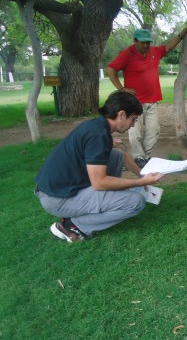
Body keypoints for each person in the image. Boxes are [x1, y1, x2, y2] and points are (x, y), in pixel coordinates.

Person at [34, 91, 164, 243]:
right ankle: (72, 225)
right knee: (135, 202)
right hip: (58, 199)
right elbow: (99, 183)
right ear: (121, 114)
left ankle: (98, 205)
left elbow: (121, 155)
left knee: (115, 155)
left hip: (58, 191)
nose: (133, 124)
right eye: (133, 119)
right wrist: (140, 182)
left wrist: (143, 174)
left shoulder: (97, 126)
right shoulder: (98, 135)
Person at [106, 27, 187, 168]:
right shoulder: (127, 54)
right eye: (143, 42)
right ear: (135, 41)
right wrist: (121, 88)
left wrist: (181, 35)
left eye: (148, 43)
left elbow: (168, 47)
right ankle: (139, 158)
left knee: (154, 130)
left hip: (152, 100)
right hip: (133, 102)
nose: (146, 45)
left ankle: (146, 157)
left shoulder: (154, 52)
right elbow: (111, 69)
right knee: (135, 132)